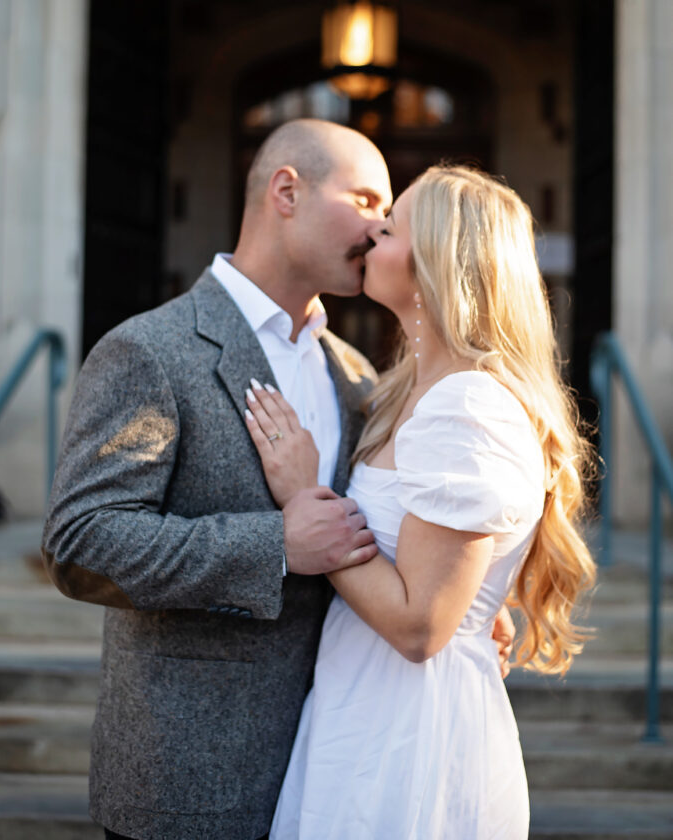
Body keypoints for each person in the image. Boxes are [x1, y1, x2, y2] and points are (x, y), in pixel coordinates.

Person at [41, 121, 513, 840]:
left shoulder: (359, 376)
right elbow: (79, 543)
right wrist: (273, 546)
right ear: (286, 191)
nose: (381, 223)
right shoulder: (150, 350)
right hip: (189, 787)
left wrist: (464, 587)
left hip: (334, 776)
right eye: (364, 198)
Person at [244, 164, 597, 840]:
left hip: (410, 732)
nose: (375, 229)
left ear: (437, 259)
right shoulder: (409, 391)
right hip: (362, 705)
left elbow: (420, 626)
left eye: (395, 222)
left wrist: (303, 499)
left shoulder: (467, 405)